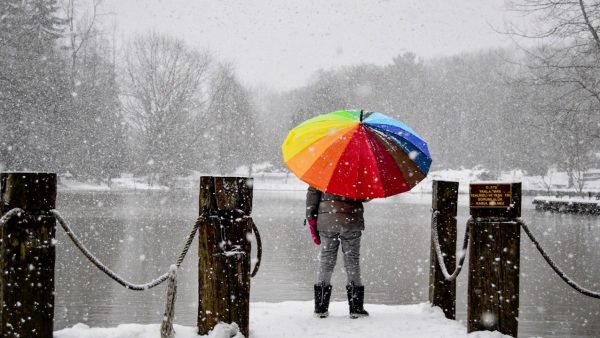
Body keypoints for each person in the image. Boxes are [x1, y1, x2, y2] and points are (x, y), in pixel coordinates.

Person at [306, 186, 369, 319]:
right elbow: (365, 196)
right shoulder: (358, 169)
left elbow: (312, 194)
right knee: (352, 261)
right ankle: (356, 307)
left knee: (326, 261)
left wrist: (311, 218)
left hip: (327, 220)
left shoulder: (322, 170)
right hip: (351, 220)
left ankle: (321, 307)